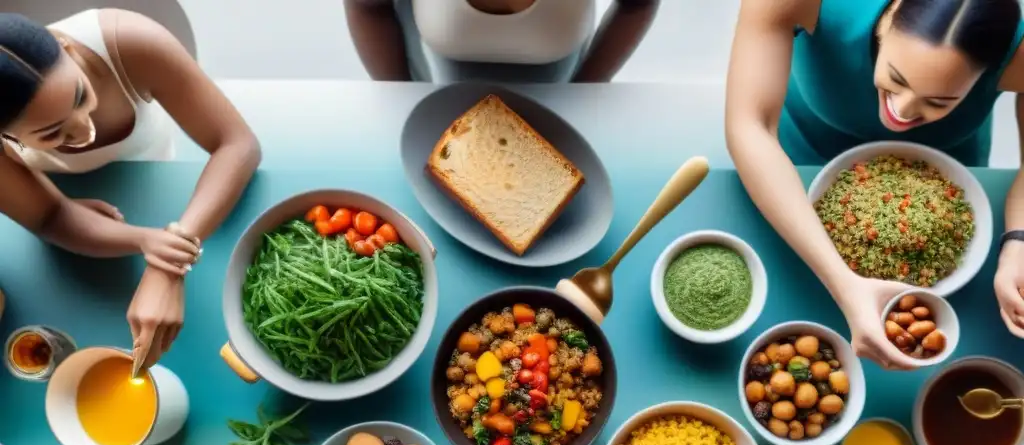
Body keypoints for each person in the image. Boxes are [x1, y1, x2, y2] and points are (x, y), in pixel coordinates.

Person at [725, 0, 1024, 368]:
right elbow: (749, 126)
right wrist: (845, 284)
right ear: (885, 22)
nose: (903, 111)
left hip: (943, 181)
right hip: (799, 161)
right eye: (896, 79)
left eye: (939, 101)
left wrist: (1017, 241)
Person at [0, 10, 260, 369]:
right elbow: (50, 216)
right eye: (52, 133)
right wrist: (142, 239)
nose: (83, 130)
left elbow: (238, 145)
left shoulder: (130, 42)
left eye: (79, 96)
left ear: (69, 50)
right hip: (84, 213)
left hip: (161, 178)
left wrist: (168, 262)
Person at [343, 0, 660, 84]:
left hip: (561, 89)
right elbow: (368, 6)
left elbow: (638, 4)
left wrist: (586, 92)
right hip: (429, 83)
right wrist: (401, 99)